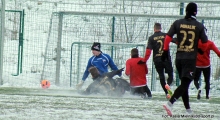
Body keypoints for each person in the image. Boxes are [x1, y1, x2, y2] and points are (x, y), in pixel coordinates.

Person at [161, 2, 208, 116]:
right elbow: (205, 42)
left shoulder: (178, 23)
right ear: (195, 12)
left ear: (186, 11)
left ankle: (188, 110)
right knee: (185, 84)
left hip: (179, 58)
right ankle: (170, 104)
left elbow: (168, 37)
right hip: (190, 58)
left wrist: (165, 50)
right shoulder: (199, 25)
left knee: (184, 84)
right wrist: (200, 49)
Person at [141, 23, 174, 99]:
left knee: (161, 76)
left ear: (154, 28)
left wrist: (144, 60)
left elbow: (148, 51)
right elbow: (175, 40)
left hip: (157, 59)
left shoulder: (151, 38)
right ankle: (168, 85)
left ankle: (167, 93)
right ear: (160, 28)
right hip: (166, 58)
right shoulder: (166, 35)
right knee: (170, 74)